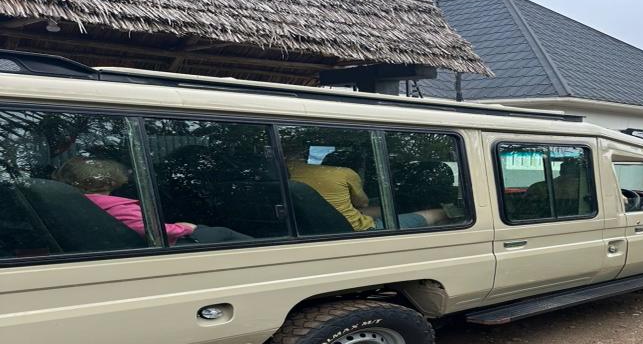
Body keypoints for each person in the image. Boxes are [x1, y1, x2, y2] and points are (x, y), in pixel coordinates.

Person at [54, 157, 250, 245]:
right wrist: (184, 228)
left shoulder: (74, 202)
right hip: (153, 246)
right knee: (223, 233)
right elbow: (150, 230)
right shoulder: (114, 206)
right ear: (112, 181)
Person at [287, 148, 447, 231]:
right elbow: (362, 204)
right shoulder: (344, 173)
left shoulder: (285, 174)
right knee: (438, 213)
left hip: (310, 223)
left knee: (388, 207)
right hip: (355, 229)